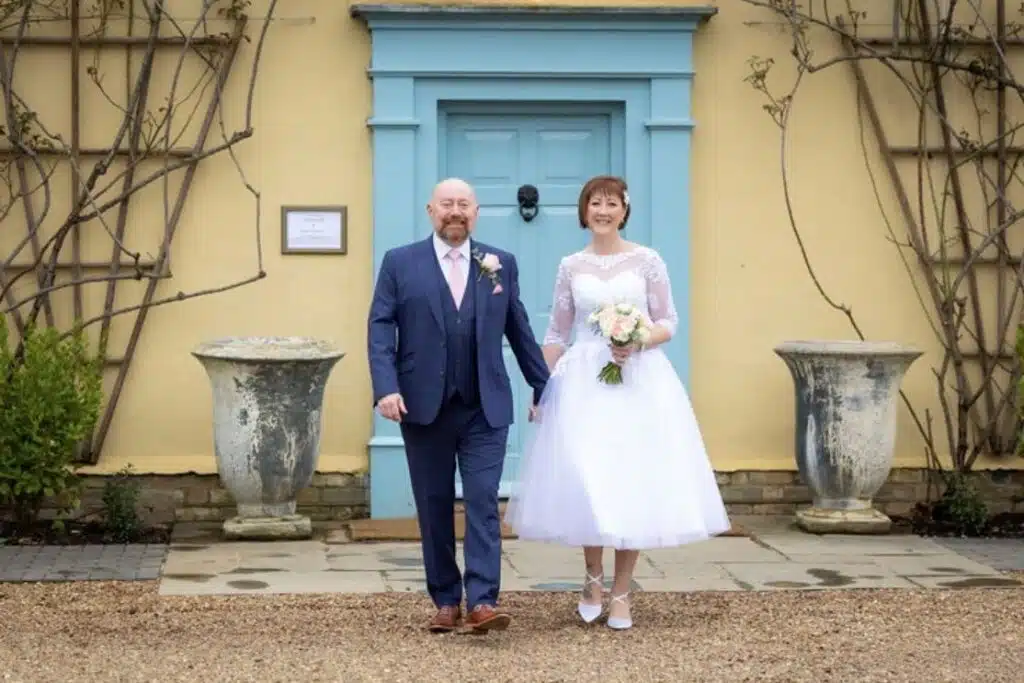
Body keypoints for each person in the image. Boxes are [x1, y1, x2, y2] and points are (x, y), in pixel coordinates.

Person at [504, 175, 730, 631]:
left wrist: (639, 339)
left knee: (631, 480)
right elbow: (556, 332)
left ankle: (622, 591)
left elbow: (668, 320)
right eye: (594, 203)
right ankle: (592, 579)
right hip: (584, 380)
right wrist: (540, 386)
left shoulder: (647, 260)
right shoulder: (571, 265)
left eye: (611, 204)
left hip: (639, 381)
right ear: (584, 211)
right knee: (590, 478)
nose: (602, 211)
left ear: (624, 211)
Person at [367, 177, 550, 634]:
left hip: (484, 406)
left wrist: (542, 386)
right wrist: (386, 387)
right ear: (431, 210)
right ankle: (446, 600)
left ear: (476, 212)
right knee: (433, 504)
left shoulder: (499, 264)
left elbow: (519, 327)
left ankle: (483, 600)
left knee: (484, 500)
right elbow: (380, 328)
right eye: (447, 204)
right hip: (422, 405)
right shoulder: (399, 262)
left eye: (463, 205)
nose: (455, 212)